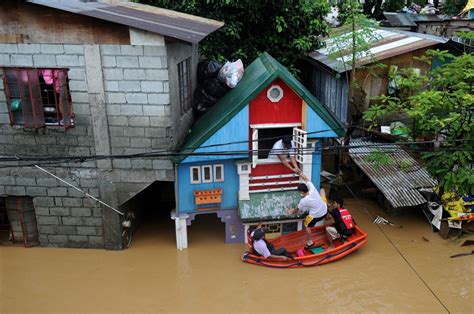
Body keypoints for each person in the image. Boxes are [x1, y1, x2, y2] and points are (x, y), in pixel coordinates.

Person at [287, 172, 327, 248]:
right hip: (324, 209)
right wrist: (299, 172)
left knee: (306, 225)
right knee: (322, 192)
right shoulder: (312, 188)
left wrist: (291, 211)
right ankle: (328, 213)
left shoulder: (304, 201)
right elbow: (306, 179)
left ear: (302, 192)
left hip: (317, 215)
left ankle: (310, 242)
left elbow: (297, 209)